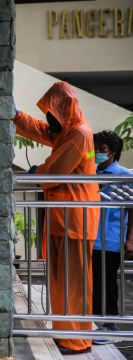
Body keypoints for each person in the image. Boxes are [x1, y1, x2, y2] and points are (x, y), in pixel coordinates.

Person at [13, 82, 100, 355]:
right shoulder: (67, 131)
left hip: (74, 220)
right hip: (62, 219)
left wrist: (38, 170)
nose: (48, 119)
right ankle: (65, 334)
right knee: (61, 282)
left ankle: (76, 340)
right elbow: (41, 130)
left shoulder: (79, 134)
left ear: (63, 111)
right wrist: (15, 115)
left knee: (73, 283)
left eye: (51, 113)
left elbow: (57, 170)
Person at [91, 130, 133, 345]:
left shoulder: (125, 175)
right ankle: (97, 324)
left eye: (102, 149)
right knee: (92, 281)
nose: (97, 152)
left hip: (111, 238)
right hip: (90, 236)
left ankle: (111, 324)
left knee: (106, 282)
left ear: (113, 152)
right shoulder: (91, 173)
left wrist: (130, 238)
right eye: (95, 147)